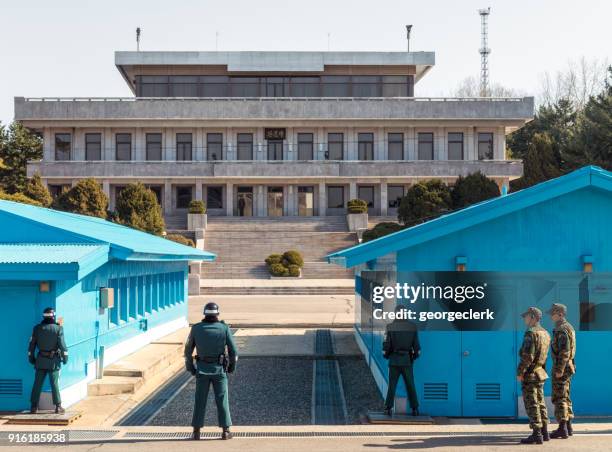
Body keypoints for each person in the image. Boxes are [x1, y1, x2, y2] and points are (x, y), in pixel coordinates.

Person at [184, 302, 238, 440]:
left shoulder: (196, 329)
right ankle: (225, 431)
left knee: (200, 400)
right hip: (219, 370)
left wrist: (191, 368)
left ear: (205, 314)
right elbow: (234, 351)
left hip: (202, 370)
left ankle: (196, 432)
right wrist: (232, 367)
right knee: (222, 399)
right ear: (217, 314)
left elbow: (188, 351)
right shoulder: (224, 328)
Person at [517, 307, 551, 444]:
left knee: (532, 403)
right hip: (540, 373)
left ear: (532, 317)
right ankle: (545, 432)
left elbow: (528, 356)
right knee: (541, 402)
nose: (524, 319)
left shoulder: (531, 333)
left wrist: (520, 372)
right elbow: (544, 356)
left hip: (530, 374)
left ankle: (537, 434)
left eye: (526, 316)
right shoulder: (545, 333)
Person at [28, 307, 68, 414]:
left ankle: (33, 407)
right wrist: (65, 358)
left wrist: (31, 359)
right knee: (54, 384)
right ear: (53, 316)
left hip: (40, 360)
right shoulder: (58, 329)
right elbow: (63, 346)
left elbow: (31, 346)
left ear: (43, 316)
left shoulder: (36, 328)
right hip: (53, 361)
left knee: (37, 383)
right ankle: (58, 406)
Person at [382, 306, 420, 416]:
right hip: (407, 361)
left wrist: (387, 355)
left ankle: (387, 408)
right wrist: (412, 357)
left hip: (394, 361)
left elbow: (386, 345)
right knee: (410, 384)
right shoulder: (412, 327)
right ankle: (415, 409)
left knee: (392, 385)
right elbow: (417, 347)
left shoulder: (390, 327)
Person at [548, 303, 576, 439]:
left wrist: (559, 369)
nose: (551, 316)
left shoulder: (562, 329)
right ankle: (568, 426)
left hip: (562, 367)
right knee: (565, 396)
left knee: (559, 398)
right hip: (568, 367)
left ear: (560, 314)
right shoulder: (568, 327)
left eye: (553, 313)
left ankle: (562, 428)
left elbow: (565, 351)